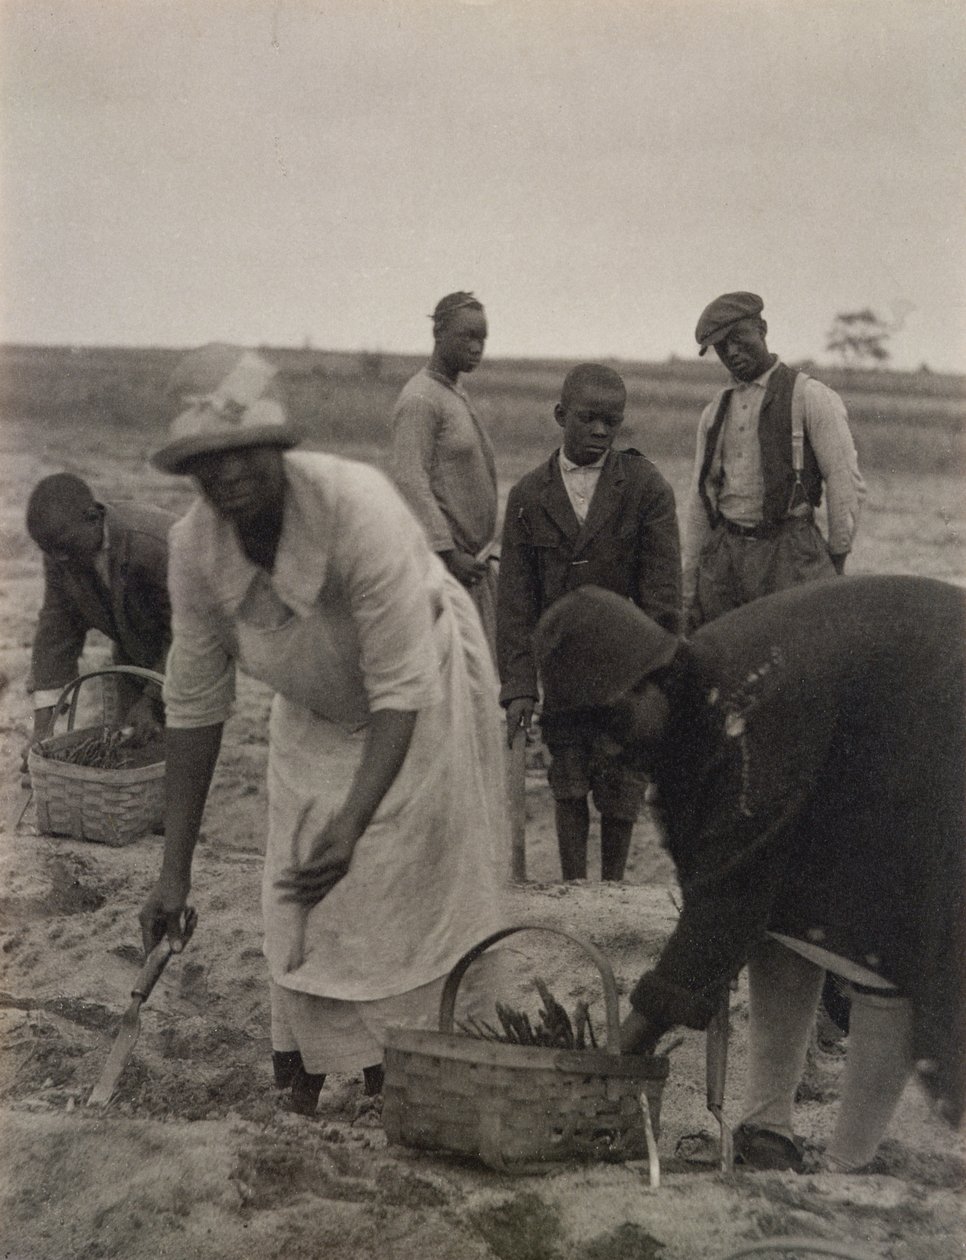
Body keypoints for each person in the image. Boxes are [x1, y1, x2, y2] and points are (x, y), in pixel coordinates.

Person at [139, 344, 508, 1116]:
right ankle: (306, 1062)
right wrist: (173, 873)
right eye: (209, 461)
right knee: (299, 886)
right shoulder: (194, 549)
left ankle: (402, 1069)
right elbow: (197, 704)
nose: (230, 474)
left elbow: (401, 686)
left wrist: (355, 821)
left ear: (278, 447)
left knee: (402, 878)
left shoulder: (358, 507)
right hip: (310, 702)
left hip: (422, 692)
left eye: (245, 452)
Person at [535, 578, 965, 1172]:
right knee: (786, 903)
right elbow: (739, 884)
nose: (609, 750)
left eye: (614, 724)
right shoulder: (705, 689)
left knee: (889, 924)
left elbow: (728, 891)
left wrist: (631, 1040)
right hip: (891, 706)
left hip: (943, 702)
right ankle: (768, 1126)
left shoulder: (747, 706)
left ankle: (850, 1165)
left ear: (653, 678)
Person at [497, 363, 681, 882]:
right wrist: (518, 685)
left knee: (623, 778)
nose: (600, 431)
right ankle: (575, 886)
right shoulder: (528, 496)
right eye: (588, 419)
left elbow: (664, 597)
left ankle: (614, 888)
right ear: (560, 416)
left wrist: (657, 677)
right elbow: (515, 602)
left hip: (629, 670)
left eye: (612, 421)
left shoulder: (646, 489)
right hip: (561, 672)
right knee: (569, 772)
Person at [682, 291, 865, 632]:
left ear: (762, 330)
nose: (732, 353)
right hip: (727, 558)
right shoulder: (714, 412)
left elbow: (844, 484)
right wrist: (689, 585)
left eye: (739, 339)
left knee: (803, 655)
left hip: (791, 553)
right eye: (722, 347)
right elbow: (699, 499)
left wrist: (835, 560)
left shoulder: (809, 396)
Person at [24, 473, 173, 749]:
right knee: (127, 749)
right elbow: (56, 635)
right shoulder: (60, 550)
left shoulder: (154, 546)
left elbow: (187, 634)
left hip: (197, 652)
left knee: (179, 757)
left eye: (64, 548)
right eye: (49, 551)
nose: (58, 559)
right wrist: (42, 732)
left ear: (93, 518)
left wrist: (152, 700)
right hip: (134, 656)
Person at [388, 292, 499, 654]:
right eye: (467, 336)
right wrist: (448, 554)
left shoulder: (451, 392)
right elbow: (409, 479)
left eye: (482, 338)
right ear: (438, 333)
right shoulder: (421, 400)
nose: (476, 347)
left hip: (471, 567)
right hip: (446, 571)